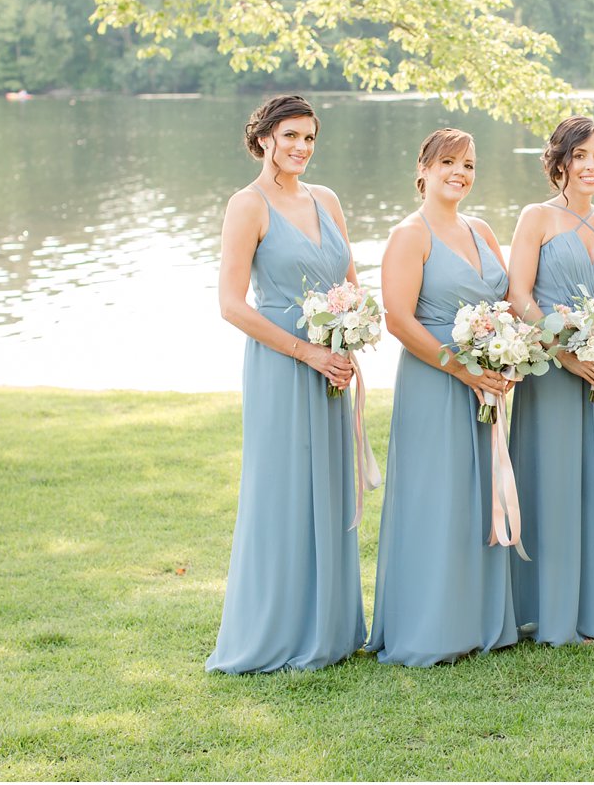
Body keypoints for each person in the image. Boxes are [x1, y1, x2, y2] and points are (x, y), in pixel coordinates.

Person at [208, 94, 365, 673]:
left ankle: (331, 628)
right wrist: (307, 352)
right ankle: (275, 630)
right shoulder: (247, 205)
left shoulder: (326, 200)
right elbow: (230, 304)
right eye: (291, 136)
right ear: (265, 138)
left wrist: (350, 333)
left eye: (310, 138)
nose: (301, 148)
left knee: (328, 488)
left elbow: (350, 283)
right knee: (283, 490)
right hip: (282, 364)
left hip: (333, 362)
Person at [368, 128, 523, 666]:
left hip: (484, 380)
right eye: (449, 162)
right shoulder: (411, 234)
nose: (460, 172)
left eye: (469, 165)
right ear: (425, 169)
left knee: (479, 496)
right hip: (436, 380)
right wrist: (462, 369)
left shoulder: (480, 229)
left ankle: (482, 620)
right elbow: (398, 319)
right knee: (438, 497)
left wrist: (506, 353)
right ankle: (433, 627)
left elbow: (503, 302)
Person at [506, 117, 594, 645]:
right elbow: (519, 296)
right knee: (556, 482)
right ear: (560, 161)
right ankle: (549, 609)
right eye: (580, 156)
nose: (591, 166)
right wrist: (564, 353)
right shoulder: (537, 217)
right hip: (551, 371)